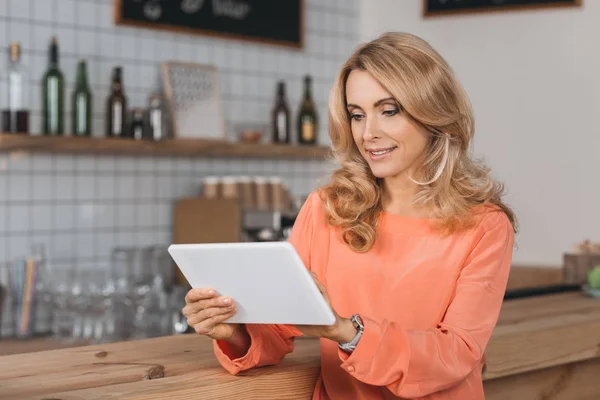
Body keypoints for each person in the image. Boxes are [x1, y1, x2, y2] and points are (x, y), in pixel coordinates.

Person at [182, 32, 517, 400]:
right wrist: (230, 328)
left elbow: (456, 353)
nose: (368, 133)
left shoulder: (484, 226)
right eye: (357, 115)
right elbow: (278, 328)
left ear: (432, 112)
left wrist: (345, 331)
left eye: (389, 110)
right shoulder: (327, 210)